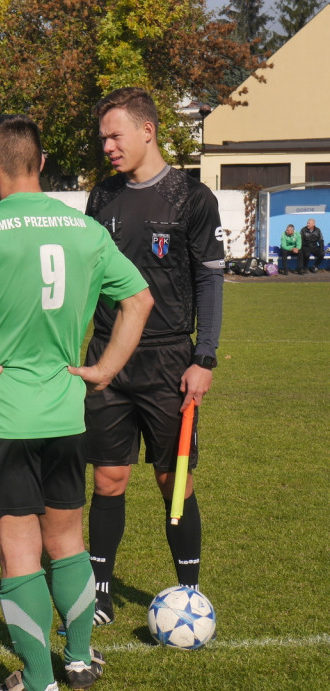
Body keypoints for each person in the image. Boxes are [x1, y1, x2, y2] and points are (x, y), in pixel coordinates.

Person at [0, 115, 151, 691]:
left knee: (18, 551)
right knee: (68, 540)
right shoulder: (84, 230)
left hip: (1, 414)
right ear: (41, 161)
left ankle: (37, 682)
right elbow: (139, 299)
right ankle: (79, 659)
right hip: (64, 410)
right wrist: (103, 371)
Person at [85, 87, 225, 628]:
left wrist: (204, 359)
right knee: (108, 477)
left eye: (115, 135)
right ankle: (99, 591)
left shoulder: (192, 198)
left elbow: (211, 283)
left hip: (170, 359)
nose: (108, 147)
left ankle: (188, 591)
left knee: (175, 479)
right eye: (103, 138)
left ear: (148, 130)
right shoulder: (101, 197)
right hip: (108, 356)